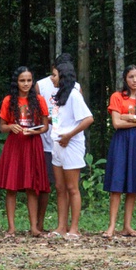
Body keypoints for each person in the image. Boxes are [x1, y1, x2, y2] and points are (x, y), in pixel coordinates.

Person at [0, 66, 50, 237]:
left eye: (28, 80)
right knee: (11, 187)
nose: (26, 84)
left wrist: (35, 131)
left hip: (33, 144)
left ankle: (34, 227)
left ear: (32, 81)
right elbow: (2, 127)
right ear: (16, 82)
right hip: (15, 145)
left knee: (31, 187)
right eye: (22, 80)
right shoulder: (8, 100)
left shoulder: (39, 100)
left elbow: (45, 126)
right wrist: (11, 126)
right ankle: (11, 227)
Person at [102, 65, 136, 238]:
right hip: (122, 141)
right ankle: (111, 226)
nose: (135, 80)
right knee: (117, 184)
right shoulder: (117, 96)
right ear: (125, 79)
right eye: (131, 77)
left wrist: (131, 117)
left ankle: (127, 226)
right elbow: (117, 123)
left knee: (133, 184)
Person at [48, 62, 93, 240]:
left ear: (63, 76)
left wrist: (69, 135)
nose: (52, 78)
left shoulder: (74, 95)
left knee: (72, 188)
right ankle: (61, 226)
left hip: (71, 145)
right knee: (59, 187)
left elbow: (88, 119)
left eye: (54, 75)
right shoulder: (59, 96)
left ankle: (74, 228)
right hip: (57, 144)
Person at [36, 52, 78, 232]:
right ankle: (39, 224)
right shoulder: (41, 85)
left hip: (67, 143)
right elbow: (37, 110)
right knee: (48, 186)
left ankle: (69, 226)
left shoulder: (75, 89)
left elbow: (81, 117)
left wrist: (65, 130)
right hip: (47, 141)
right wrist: (48, 121)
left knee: (69, 187)